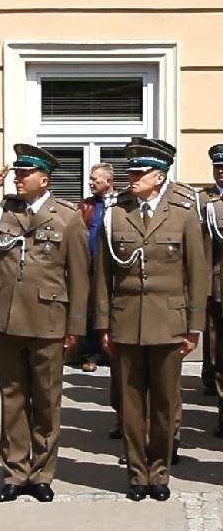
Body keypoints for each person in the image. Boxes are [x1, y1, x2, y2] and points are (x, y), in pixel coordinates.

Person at [0, 144, 89, 503]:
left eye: (24, 173)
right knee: (12, 398)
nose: (17, 177)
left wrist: (76, 326)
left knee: (46, 400)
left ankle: (42, 472)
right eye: (16, 172)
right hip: (8, 317)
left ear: (43, 179)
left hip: (48, 319)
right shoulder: (3, 211)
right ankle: (14, 471)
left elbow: (79, 274)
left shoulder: (67, 217)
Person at [95, 139, 207, 502]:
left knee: (163, 403)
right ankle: (135, 473)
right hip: (126, 321)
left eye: (140, 173)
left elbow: (197, 273)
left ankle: (159, 471)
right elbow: (102, 276)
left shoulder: (183, 214)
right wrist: (103, 325)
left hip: (169, 322)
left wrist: (194, 326)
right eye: (131, 172)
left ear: (159, 177)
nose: (133, 178)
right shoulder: (115, 213)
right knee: (130, 404)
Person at [78, 163, 115, 373]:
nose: (91, 183)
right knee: (92, 310)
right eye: (90, 179)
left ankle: (112, 351)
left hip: (115, 267)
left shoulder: (121, 204)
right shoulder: (86, 206)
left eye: (95, 179)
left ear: (108, 182)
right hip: (91, 266)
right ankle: (90, 354)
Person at [199, 144, 223, 434]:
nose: (221, 171)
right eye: (217, 167)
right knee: (218, 351)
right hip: (218, 287)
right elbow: (201, 251)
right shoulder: (203, 200)